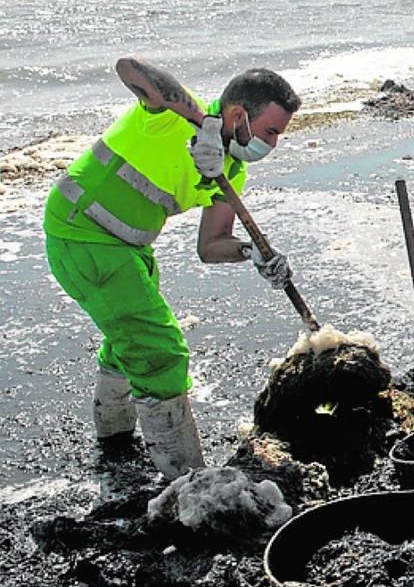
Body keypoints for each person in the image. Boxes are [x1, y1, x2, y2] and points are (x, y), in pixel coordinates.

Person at [44, 57, 300, 480]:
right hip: (82, 235)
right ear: (239, 115)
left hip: (128, 248)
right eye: (271, 132)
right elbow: (130, 68)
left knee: (128, 339)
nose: (272, 144)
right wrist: (203, 125)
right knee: (159, 351)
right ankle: (188, 482)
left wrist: (251, 253)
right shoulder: (171, 116)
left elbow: (211, 245)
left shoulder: (230, 169)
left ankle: (114, 443)